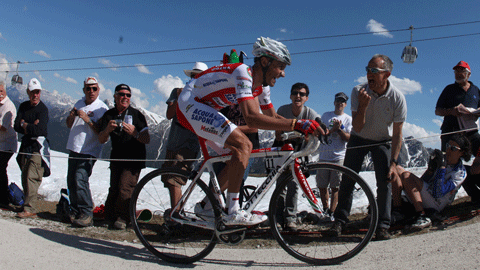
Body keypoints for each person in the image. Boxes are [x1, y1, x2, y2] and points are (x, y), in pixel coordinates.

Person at [176, 37, 324, 226]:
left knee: (240, 157)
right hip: (190, 104)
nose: (283, 74)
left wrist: (306, 124)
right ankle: (232, 212)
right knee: (244, 145)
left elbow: (273, 117)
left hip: (206, 107)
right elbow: (252, 118)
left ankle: (206, 205)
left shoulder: (262, 88)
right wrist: (295, 124)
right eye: (281, 67)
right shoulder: (243, 72)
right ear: (265, 62)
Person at [331, 54, 407, 240]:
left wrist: (394, 162)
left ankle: (382, 225)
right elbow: (356, 127)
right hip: (359, 138)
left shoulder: (397, 98)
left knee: (385, 182)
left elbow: (397, 134)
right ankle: (340, 221)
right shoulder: (359, 91)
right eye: (367, 70)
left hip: (382, 140)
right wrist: (363, 106)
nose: (368, 74)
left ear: (387, 74)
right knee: (348, 180)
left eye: (374, 71)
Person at [98, 83, 150, 230]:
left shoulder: (137, 115)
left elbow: (147, 139)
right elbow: (101, 139)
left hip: (134, 159)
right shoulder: (109, 115)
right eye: (121, 94)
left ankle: (123, 218)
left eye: (128, 95)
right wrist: (107, 129)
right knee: (114, 188)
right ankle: (110, 216)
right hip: (116, 158)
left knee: (125, 188)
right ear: (115, 96)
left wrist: (135, 133)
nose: (125, 97)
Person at [392, 133, 470, 229]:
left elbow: (438, 193)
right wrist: (430, 170)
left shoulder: (460, 173)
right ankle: (398, 211)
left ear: (461, 152)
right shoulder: (443, 159)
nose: (448, 150)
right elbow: (422, 181)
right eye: (447, 146)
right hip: (428, 193)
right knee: (396, 168)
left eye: (453, 148)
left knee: (406, 175)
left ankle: (422, 216)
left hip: (437, 202)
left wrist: (441, 168)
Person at [161, 62, 208, 216]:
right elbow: (169, 115)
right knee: (169, 179)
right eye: (194, 76)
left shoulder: (206, 96)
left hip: (189, 144)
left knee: (176, 179)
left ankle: (176, 215)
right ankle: (178, 211)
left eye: (199, 76)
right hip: (173, 141)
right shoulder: (178, 91)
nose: (195, 79)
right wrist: (180, 97)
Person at [273, 82, 320, 231]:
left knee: (294, 185)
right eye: (295, 93)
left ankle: (290, 219)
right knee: (280, 185)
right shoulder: (282, 110)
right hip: (282, 150)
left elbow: (316, 132)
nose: (298, 96)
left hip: (299, 152)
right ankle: (278, 218)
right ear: (290, 95)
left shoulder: (310, 113)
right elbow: (278, 135)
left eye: (302, 94)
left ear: (306, 98)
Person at [65, 77, 108, 227]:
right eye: (88, 88)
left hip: (89, 149)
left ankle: (86, 212)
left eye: (94, 88)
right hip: (74, 146)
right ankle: (75, 209)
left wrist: (86, 119)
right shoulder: (79, 103)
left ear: (98, 90)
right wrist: (71, 116)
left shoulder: (102, 108)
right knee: (71, 179)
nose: (91, 91)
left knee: (80, 178)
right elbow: (68, 125)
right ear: (84, 90)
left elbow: (101, 132)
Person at [14, 78, 50, 218]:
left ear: (40, 93)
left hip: (37, 147)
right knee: (24, 175)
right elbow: (17, 126)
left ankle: (30, 208)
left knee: (32, 177)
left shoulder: (43, 109)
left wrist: (25, 124)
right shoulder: (23, 106)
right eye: (32, 92)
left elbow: (39, 130)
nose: (35, 95)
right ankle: (26, 205)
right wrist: (30, 126)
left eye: (37, 92)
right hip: (25, 145)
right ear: (28, 92)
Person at [316, 92, 352, 220]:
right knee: (322, 185)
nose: (339, 103)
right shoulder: (326, 115)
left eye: (342, 101)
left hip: (338, 157)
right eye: (338, 101)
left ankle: (332, 211)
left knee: (335, 187)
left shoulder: (348, 119)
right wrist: (332, 130)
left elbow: (348, 138)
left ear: (345, 104)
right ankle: (325, 209)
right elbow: (321, 133)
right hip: (324, 155)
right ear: (334, 102)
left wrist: (339, 130)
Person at [435, 61, 480, 154]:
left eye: (462, 71)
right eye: (456, 72)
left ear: (469, 74)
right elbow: (437, 111)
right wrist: (451, 111)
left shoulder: (476, 90)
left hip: (471, 132)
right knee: (448, 161)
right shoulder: (449, 89)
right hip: (451, 132)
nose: (458, 74)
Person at [0, 81, 17, 208]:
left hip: (7, 144)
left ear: (5, 91)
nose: (0, 94)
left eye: (1, 91)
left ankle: (4, 199)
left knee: (0, 169)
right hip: (1, 143)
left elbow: (3, 127)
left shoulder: (7, 106)